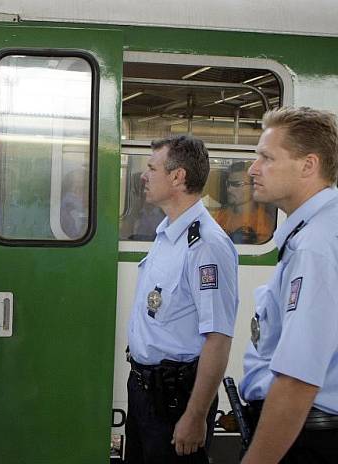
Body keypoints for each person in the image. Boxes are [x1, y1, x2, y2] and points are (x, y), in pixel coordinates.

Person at [125, 135, 239, 463]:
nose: (143, 176)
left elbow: (218, 338)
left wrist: (195, 415)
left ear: (178, 177)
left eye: (151, 168)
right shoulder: (167, 234)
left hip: (176, 399)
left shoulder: (205, 246)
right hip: (144, 390)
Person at [239, 107, 338, 463]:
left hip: (310, 438)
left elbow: (298, 378)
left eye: (267, 157)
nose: (253, 168)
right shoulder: (317, 232)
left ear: (308, 165)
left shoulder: (316, 246)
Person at [214, 161, 275, 244]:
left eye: (237, 184)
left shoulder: (264, 223)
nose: (229, 189)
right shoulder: (220, 216)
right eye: (228, 184)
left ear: (254, 187)